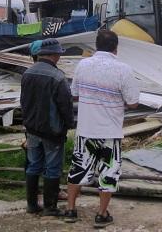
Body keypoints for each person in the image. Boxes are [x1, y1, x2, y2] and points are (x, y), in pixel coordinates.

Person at [65, 30, 140, 228]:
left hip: (86, 130)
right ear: (116, 47)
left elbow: (74, 94)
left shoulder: (82, 65)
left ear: (96, 46)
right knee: (109, 173)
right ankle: (101, 213)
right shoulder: (123, 69)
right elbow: (133, 103)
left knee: (77, 169)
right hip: (110, 132)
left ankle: (70, 210)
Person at [20, 38, 74, 216]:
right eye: (59, 54)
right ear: (54, 55)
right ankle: (50, 207)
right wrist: (69, 124)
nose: (60, 56)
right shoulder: (58, 77)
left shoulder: (27, 73)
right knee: (52, 167)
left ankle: (32, 205)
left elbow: (24, 102)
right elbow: (65, 106)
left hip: (32, 129)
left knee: (34, 165)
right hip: (52, 130)